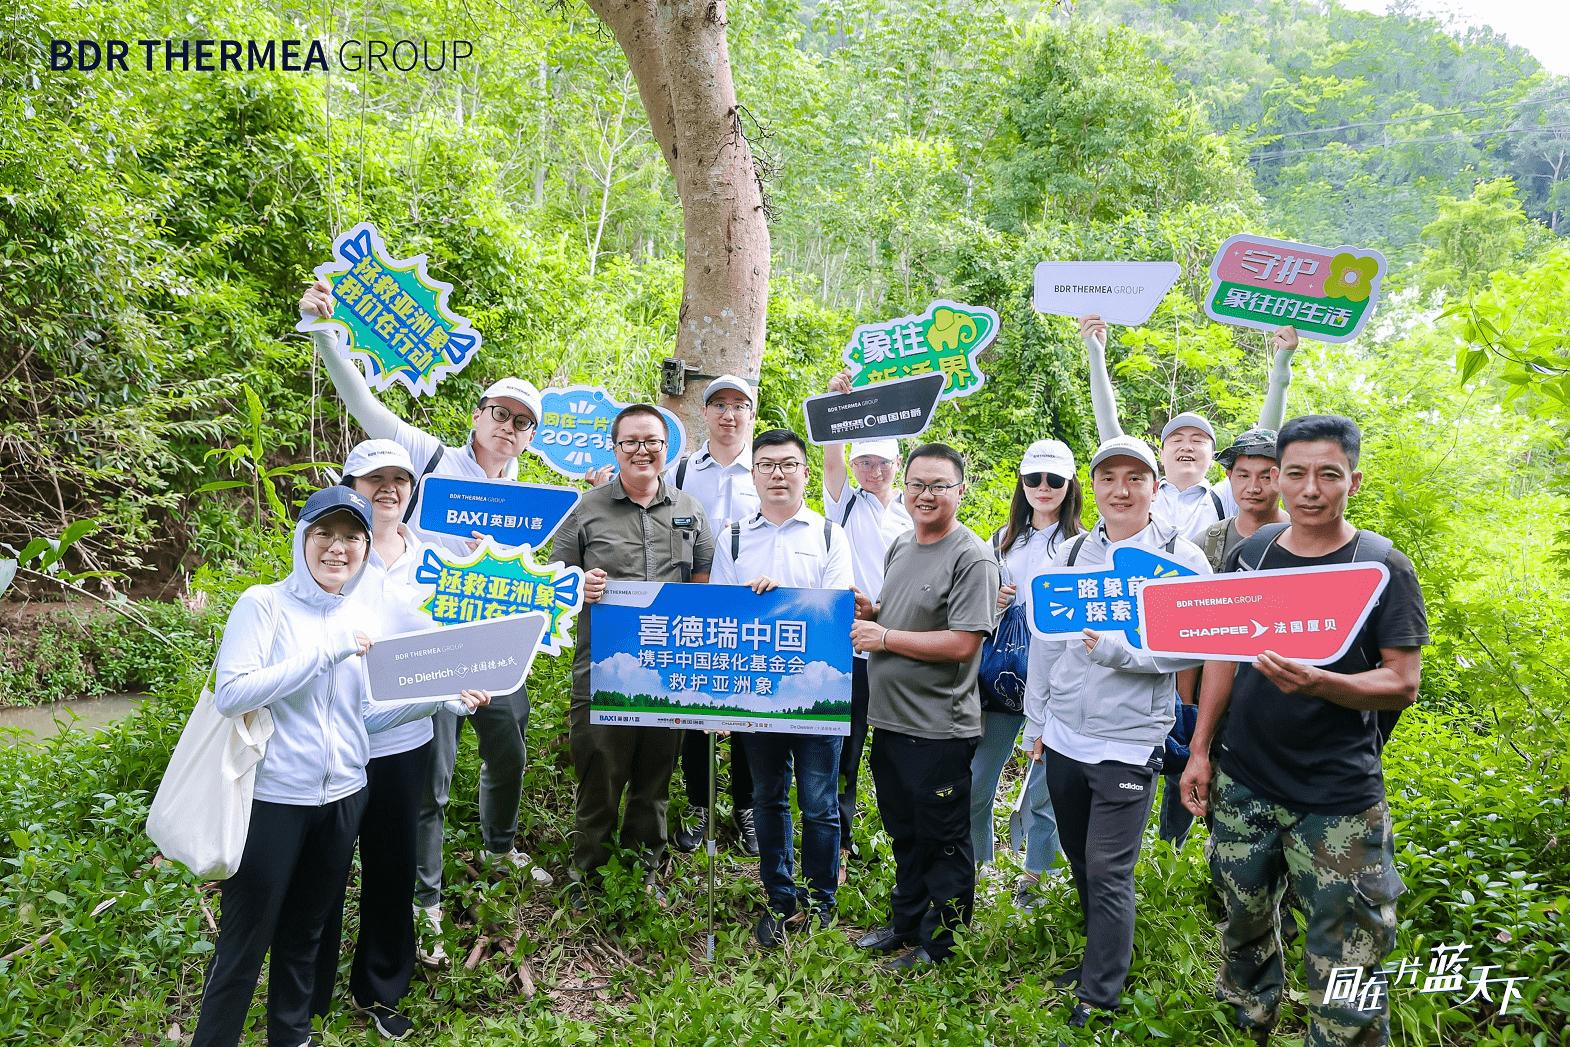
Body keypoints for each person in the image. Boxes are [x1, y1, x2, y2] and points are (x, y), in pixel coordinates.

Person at [298, 282, 551, 967]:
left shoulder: (532, 493)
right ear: (477, 415)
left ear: (532, 434)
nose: (508, 426)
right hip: (430, 649)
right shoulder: (430, 460)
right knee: (430, 785)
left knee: (510, 750)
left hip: (497, 648)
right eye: (500, 412)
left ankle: (499, 847)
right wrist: (325, 331)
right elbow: (364, 404)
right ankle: (427, 900)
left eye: (522, 421)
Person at [191, 488, 488, 1047]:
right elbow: (231, 693)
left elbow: (366, 715)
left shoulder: (360, 613)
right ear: (302, 539)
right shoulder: (265, 605)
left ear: (366, 547)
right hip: (275, 799)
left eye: (352, 537)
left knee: (307, 931)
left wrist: (438, 700)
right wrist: (326, 652)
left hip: (344, 797)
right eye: (324, 534)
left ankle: (293, 1035)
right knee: (243, 942)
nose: (337, 547)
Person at [1180, 415, 1427, 1046]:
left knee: (1348, 948)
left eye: (1328, 474)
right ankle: (1246, 1020)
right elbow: (1223, 656)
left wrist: (1324, 684)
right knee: (1243, 917)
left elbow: (1401, 681)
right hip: (1244, 781)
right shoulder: (1251, 556)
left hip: (1337, 796)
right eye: (1296, 473)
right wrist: (1201, 750)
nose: (1310, 488)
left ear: (1353, 479)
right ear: (1275, 480)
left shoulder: (1380, 567)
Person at [1079, 315, 1298, 845]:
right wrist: (1095, 353)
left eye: (1199, 439)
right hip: (1130, 629)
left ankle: (1177, 842)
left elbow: (1266, 444)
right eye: (1176, 436)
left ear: (1211, 456)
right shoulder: (1140, 490)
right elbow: (1109, 429)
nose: (1186, 445)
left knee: (1194, 736)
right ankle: (1135, 833)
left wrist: (1281, 368)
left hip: (1198, 639)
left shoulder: (1223, 499)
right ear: (1158, 453)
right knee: (1142, 738)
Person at [1022, 436, 1211, 1032]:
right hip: (1066, 737)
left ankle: (1100, 993)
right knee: (1079, 857)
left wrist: (1121, 654)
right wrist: (1037, 721)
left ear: (1155, 486)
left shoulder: (1183, 557)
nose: (1121, 490)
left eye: (1135, 478)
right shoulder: (1073, 551)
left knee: (1109, 868)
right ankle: (1095, 960)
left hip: (1129, 740)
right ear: (1094, 487)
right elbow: (1046, 642)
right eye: (1109, 479)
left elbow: (1192, 645)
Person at [553, 403, 715, 904]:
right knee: (599, 770)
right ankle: (589, 871)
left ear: (666, 447)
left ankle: (645, 869)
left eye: (652, 441)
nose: (642, 450)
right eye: (631, 442)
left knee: (654, 775)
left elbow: (702, 584)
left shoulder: (689, 509)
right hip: (604, 665)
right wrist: (581, 585)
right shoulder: (586, 508)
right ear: (615, 447)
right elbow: (555, 580)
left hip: (668, 671)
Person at [850, 443, 999, 971]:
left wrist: (884, 635)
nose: (926, 494)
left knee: (942, 839)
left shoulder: (972, 556)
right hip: (890, 721)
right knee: (904, 831)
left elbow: (962, 643)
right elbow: (904, 613)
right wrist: (874, 610)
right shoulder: (900, 547)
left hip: (939, 728)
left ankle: (943, 945)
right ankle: (905, 922)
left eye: (938, 485)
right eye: (917, 484)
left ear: (961, 490)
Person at [710, 428, 853, 947]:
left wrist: (783, 598)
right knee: (768, 797)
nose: (777, 473)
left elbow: (837, 608)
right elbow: (720, 616)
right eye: (766, 464)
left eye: (788, 464)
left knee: (819, 802)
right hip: (756, 692)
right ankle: (779, 896)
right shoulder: (732, 537)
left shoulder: (830, 535)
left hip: (817, 690)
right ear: (753, 474)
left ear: (804, 473)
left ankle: (821, 903)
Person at [968, 439, 1080, 909]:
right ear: (1022, 482)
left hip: (1056, 673)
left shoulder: (1082, 546)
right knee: (977, 777)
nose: (1043, 487)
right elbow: (973, 607)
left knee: (1045, 785)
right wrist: (993, 602)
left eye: (1054, 479)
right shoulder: (999, 541)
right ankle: (975, 862)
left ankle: (1036, 875)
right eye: (1034, 478)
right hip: (1000, 673)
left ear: (1070, 484)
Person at [823, 370, 914, 880]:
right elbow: (830, 457)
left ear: (896, 465)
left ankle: (901, 839)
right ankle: (839, 838)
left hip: (900, 645)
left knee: (896, 747)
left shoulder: (911, 513)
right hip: (854, 644)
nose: (872, 469)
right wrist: (841, 402)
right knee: (847, 748)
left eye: (881, 461)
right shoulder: (845, 503)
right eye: (865, 461)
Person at [667, 375, 762, 857]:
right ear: (704, 414)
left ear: (751, 414)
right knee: (696, 705)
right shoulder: (681, 472)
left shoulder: (766, 468)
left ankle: (747, 809)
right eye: (719, 405)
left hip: (750, 606)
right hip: (694, 603)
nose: (728, 414)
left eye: (739, 405)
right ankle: (700, 805)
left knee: (748, 708)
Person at [1202, 427, 1289, 572]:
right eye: (1243, 476)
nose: (1253, 488)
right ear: (1229, 476)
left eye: (1265, 477)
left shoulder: (1304, 536)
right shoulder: (1207, 543)